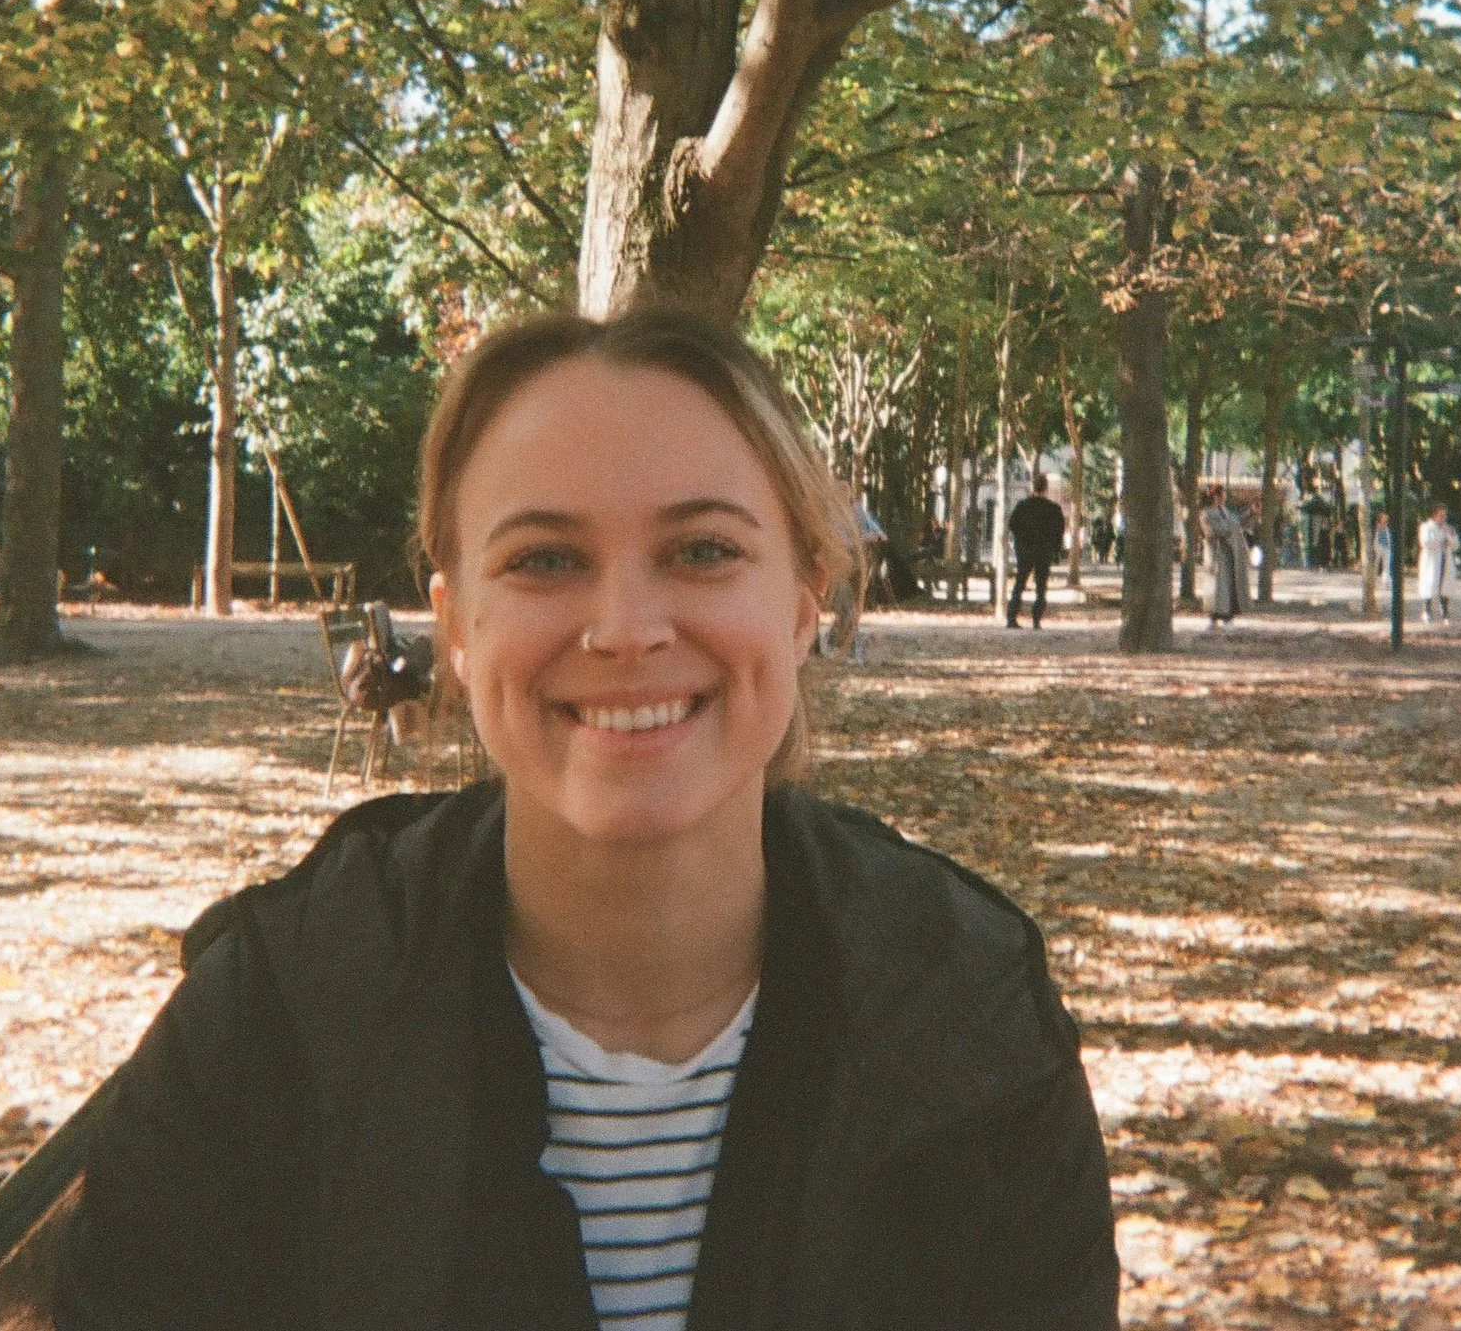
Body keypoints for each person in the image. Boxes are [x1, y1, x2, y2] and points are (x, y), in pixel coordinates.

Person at [54, 310, 1116, 1330]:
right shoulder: (269, 1028)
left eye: (701, 549)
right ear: (458, 627)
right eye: (545, 560)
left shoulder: (967, 1019)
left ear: (803, 606)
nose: (625, 629)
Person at [828, 495, 890, 661]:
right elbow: (834, 542)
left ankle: (840, 644)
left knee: (851, 609)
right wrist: (860, 540)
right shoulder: (830, 513)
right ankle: (849, 649)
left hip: (858, 567)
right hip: (838, 568)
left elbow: (881, 535)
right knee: (846, 607)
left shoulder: (858, 511)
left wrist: (869, 539)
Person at [1006, 473, 1067, 630]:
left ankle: (1012, 617)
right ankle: (1036, 619)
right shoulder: (1053, 509)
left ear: (1033, 487)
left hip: (1025, 549)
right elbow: (1059, 531)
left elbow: (1012, 524)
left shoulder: (1022, 506)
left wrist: (1021, 540)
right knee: (1041, 586)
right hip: (1043, 550)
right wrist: (1055, 550)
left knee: (1020, 582)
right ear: (1046, 488)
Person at [1199, 484, 1248, 630]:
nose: (1223, 499)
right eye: (1221, 496)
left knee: (1228, 586)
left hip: (1229, 553)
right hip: (1216, 554)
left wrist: (1250, 513)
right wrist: (1230, 528)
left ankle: (1227, 616)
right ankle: (1214, 617)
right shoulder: (1206, 513)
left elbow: (1236, 522)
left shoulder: (1224, 512)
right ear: (1214, 497)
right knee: (1216, 587)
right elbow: (1213, 531)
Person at [1415, 504, 1455, 623]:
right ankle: (1427, 611)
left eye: (1444, 515)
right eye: (1441, 515)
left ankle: (1444, 613)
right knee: (1430, 584)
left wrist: (1449, 538)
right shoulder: (1426, 527)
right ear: (1434, 515)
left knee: (1445, 586)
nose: (1443, 517)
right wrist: (1441, 539)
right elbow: (1425, 542)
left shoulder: (1448, 528)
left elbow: (1455, 543)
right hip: (1431, 560)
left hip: (1445, 559)